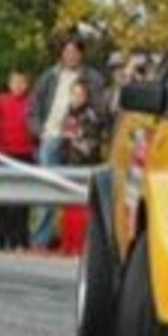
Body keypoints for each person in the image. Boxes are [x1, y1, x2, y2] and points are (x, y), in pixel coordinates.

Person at [26, 32, 105, 249]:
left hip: (78, 143)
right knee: (47, 191)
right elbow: (32, 107)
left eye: (74, 52)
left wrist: (85, 131)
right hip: (50, 138)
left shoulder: (94, 79)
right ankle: (40, 242)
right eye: (66, 51)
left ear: (82, 54)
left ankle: (76, 243)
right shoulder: (49, 76)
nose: (70, 56)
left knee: (77, 195)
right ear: (61, 53)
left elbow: (101, 112)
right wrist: (38, 130)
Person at [0, 69, 36, 250]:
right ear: (9, 83)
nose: (18, 86)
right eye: (15, 82)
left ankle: (19, 241)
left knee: (21, 202)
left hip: (24, 155)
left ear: (27, 84)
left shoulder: (32, 103)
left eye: (22, 82)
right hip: (2, 154)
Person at [58, 79, 104, 254]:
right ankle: (68, 244)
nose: (77, 98)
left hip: (84, 165)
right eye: (74, 94)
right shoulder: (69, 113)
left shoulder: (90, 115)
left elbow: (92, 145)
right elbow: (64, 138)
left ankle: (80, 245)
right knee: (69, 208)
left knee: (81, 210)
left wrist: (76, 140)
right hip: (69, 163)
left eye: (80, 94)